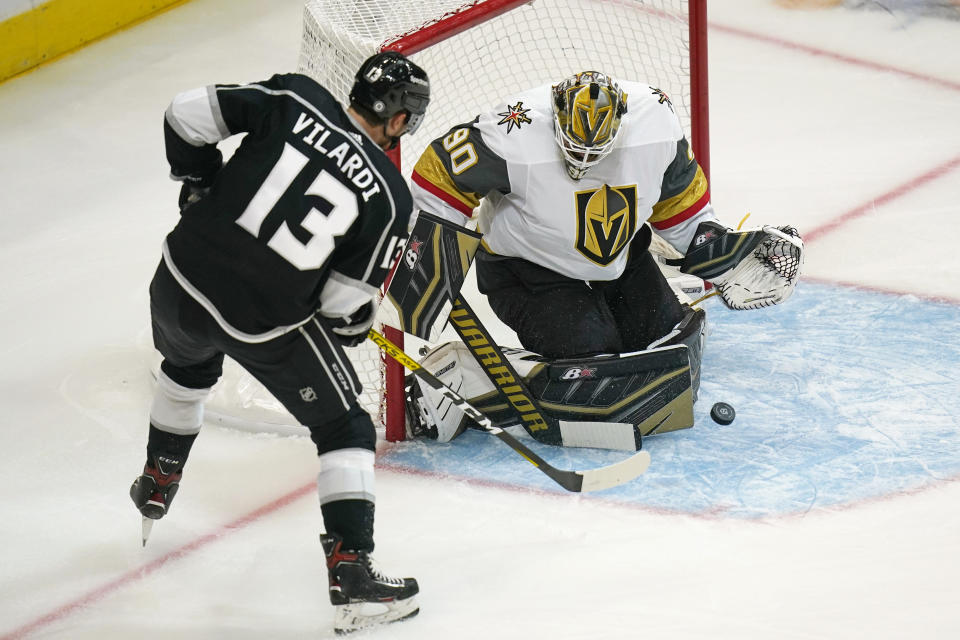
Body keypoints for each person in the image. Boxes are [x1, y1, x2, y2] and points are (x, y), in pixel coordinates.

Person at [129, 51, 429, 634]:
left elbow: (184, 115)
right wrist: (354, 323)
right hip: (259, 319)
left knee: (187, 365)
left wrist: (200, 185)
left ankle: (157, 479)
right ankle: (352, 575)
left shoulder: (296, 96)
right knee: (346, 429)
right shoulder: (392, 198)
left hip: (177, 279)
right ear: (399, 122)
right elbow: (341, 312)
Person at [405, 70, 802, 442]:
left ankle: (635, 312)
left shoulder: (655, 124)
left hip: (621, 260)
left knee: (670, 349)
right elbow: (437, 175)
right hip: (529, 272)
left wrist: (720, 253)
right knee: (593, 373)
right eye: (574, 146)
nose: (584, 160)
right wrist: (425, 255)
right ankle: (467, 374)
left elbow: (682, 206)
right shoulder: (512, 132)